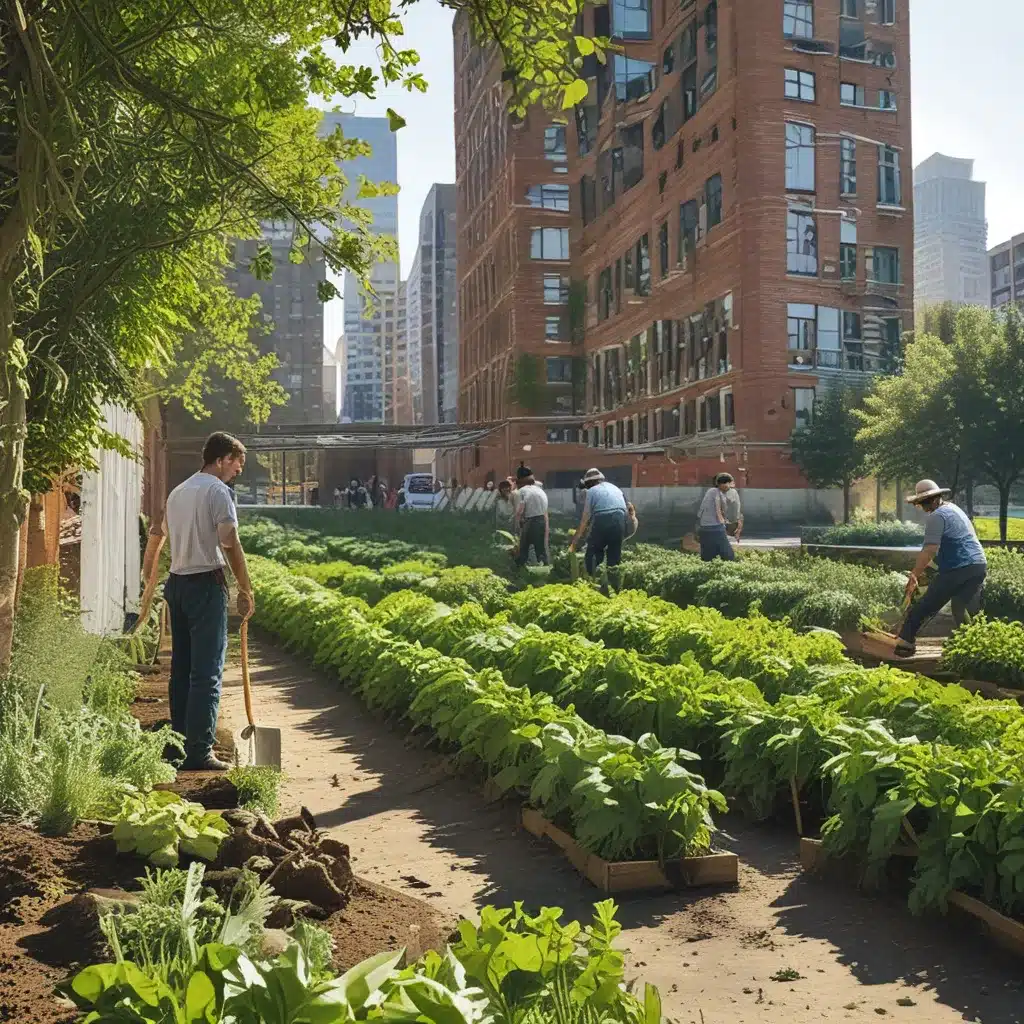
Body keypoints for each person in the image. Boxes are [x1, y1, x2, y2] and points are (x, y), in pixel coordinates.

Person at [159, 432, 253, 771]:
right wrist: (245, 587)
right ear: (222, 458)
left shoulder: (178, 492)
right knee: (207, 674)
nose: (237, 472)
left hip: (177, 583)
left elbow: (166, 535)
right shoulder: (218, 492)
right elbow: (229, 541)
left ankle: (177, 747)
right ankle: (198, 752)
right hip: (204, 586)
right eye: (236, 465)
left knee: (181, 670)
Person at [895, 480, 987, 657]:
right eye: (922, 503)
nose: (924, 507)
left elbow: (930, 549)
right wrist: (927, 573)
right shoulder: (954, 509)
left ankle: (904, 644)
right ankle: (972, 646)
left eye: (925, 502)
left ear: (935, 499)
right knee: (959, 606)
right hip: (978, 565)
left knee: (925, 605)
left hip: (959, 567)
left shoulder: (936, 517)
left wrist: (914, 575)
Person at [570, 468, 629, 590]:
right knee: (614, 556)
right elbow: (627, 510)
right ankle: (614, 588)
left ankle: (593, 583)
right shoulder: (615, 488)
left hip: (603, 518)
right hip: (620, 518)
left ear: (589, 483)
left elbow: (585, 519)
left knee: (593, 553)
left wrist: (574, 542)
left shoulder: (592, 491)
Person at [697, 473, 738, 562]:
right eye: (729, 483)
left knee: (709, 556)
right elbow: (718, 509)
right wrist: (723, 522)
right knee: (728, 556)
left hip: (706, 528)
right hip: (714, 527)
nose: (730, 486)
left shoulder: (715, 492)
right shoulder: (714, 491)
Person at [513, 465, 549, 566]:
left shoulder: (522, 491)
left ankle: (519, 567)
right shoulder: (539, 490)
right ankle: (546, 567)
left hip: (531, 521)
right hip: (541, 519)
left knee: (523, 546)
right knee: (540, 547)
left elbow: (520, 510)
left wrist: (517, 523)